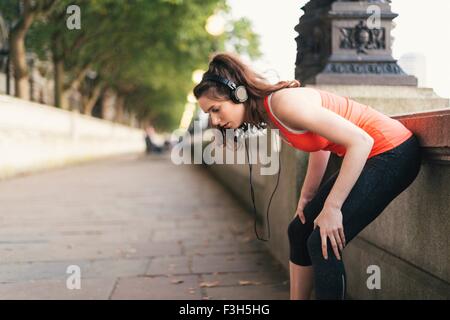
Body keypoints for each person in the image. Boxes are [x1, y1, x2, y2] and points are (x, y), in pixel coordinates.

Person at [193, 52, 421, 300]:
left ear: (239, 94)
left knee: (322, 241)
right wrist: (307, 197)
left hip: (392, 154)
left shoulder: (283, 105)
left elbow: (360, 140)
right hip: (373, 156)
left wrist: (333, 208)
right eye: (209, 115)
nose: (215, 120)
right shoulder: (271, 113)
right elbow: (321, 144)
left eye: (216, 109)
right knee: (299, 229)